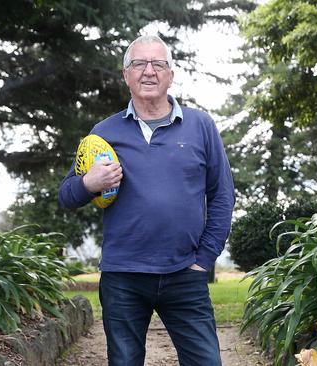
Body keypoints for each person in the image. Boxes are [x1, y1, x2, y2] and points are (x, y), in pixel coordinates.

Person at [58, 34, 235, 366]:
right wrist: (89, 182)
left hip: (185, 272)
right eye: (138, 63)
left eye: (158, 64)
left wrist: (204, 259)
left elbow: (223, 195)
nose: (148, 71)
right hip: (123, 276)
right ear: (126, 75)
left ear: (170, 74)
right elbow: (66, 195)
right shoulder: (103, 133)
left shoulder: (201, 126)